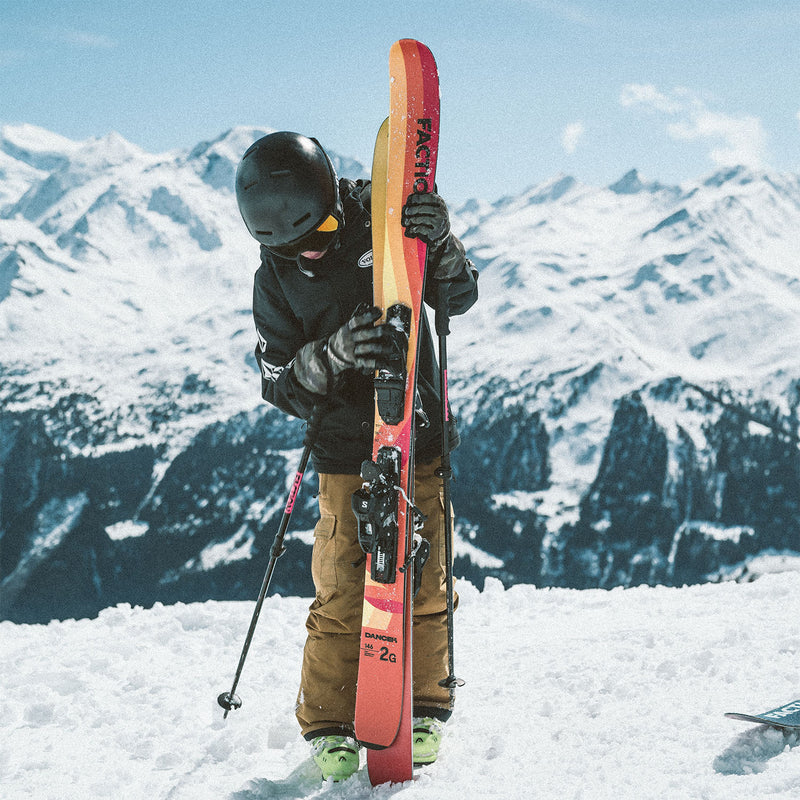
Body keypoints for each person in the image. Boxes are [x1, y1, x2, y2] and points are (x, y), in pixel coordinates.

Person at [235, 131, 478, 782]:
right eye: (291, 246)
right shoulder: (275, 277)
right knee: (343, 586)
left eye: (319, 232)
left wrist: (441, 245)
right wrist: (334, 354)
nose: (310, 249)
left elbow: (456, 298)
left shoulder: (383, 214)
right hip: (343, 445)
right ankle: (327, 722)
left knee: (425, 577)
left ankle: (426, 704)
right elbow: (278, 380)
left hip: (415, 429)